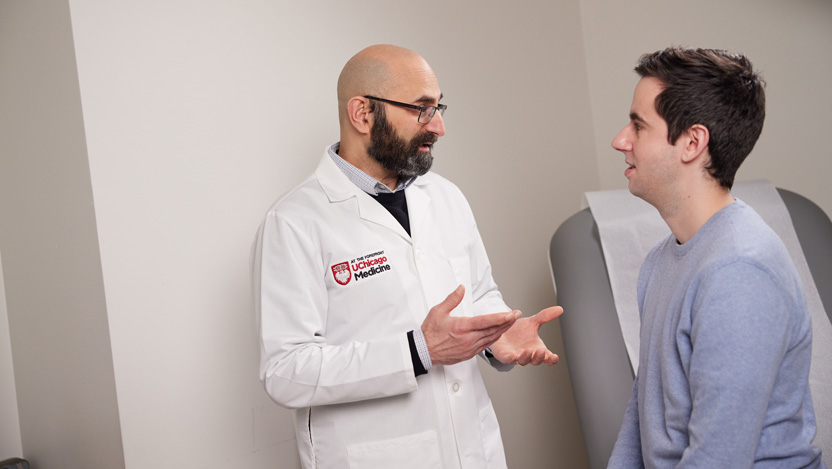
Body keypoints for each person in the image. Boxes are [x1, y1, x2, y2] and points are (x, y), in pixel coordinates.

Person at [250, 44, 562, 468]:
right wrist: (417, 351)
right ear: (362, 114)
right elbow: (286, 372)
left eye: (439, 107)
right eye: (422, 109)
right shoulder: (294, 222)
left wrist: (496, 337)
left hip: (474, 450)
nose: (439, 127)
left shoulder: (447, 197)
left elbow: (479, 294)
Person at [607, 47, 825, 468]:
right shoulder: (660, 260)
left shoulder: (740, 270)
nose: (621, 140)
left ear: (692, 142)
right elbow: (643, 413)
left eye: (638, 125)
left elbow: (719, 457)